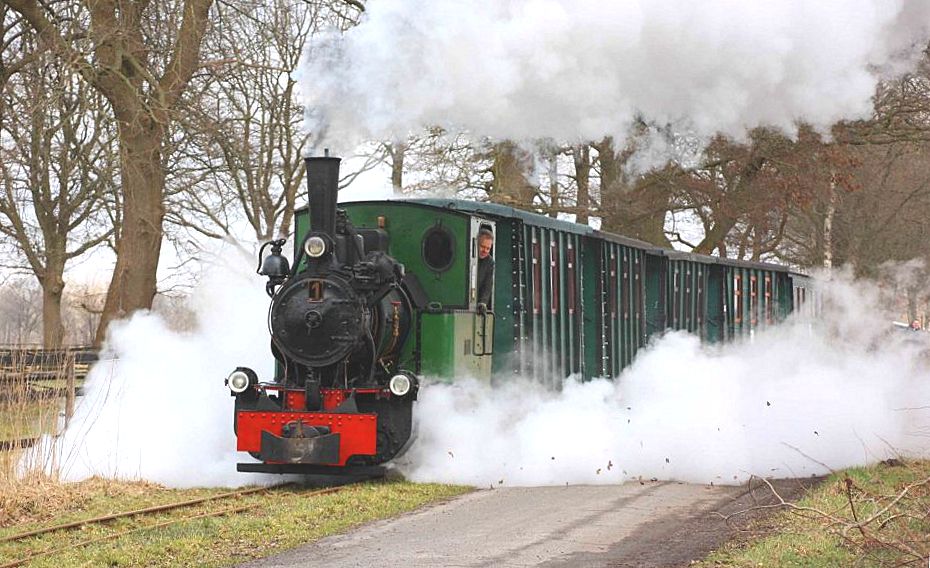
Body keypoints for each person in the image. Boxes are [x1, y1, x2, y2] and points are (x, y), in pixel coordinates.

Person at [476, 229, 494, 311]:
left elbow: (487, 285)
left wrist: (483, 302)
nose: (485, 251)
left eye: (488, 248)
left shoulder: (489, 262)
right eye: (482, 247)